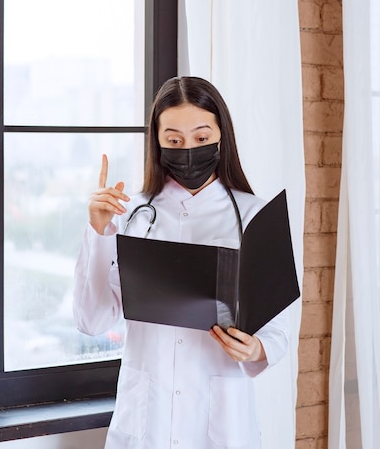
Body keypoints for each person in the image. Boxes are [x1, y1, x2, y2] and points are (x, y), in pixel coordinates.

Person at [73, 76, 290, 449]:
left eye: (201, 138)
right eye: (174, 140)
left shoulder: (255, 217)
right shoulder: (132, 217)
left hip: (222, 423)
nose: (188, 149)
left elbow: (279, 328)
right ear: (157, 144)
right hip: (146, 424)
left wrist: (255, 349)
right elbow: (92, 320)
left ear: (222, 137)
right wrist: (98, 232)